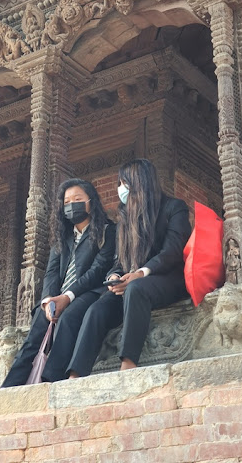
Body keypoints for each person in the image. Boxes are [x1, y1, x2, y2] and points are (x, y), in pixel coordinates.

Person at [67, 159, 191, 377]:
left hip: (167, 278)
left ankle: (129, 362)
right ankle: (76, 373)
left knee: (136, 289)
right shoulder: (125, 217)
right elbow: (120, 261)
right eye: (119, 183)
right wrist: (115, 275)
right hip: (131, 281)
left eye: (124, 183)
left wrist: (141, 273)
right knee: (97, 307)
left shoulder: (174, 208)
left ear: (140, 182)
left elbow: (172, 251)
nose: (120, 189)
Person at [2, 178, 116, 386]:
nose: (72, 205)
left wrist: (67, 297)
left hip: (88, 292)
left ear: (90, 202)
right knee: (37, 327)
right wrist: (47, 301)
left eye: (77, 199)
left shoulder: (107, 231)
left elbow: (97, 270)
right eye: (67, 202)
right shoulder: (63, 237)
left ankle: (51, 381)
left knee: (68, 317)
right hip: (58, 295)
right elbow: (52, 272)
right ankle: (10, 387)